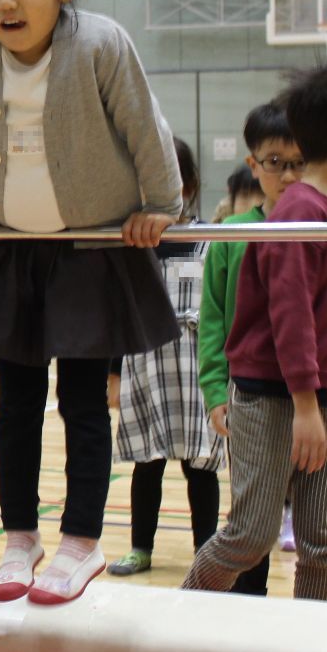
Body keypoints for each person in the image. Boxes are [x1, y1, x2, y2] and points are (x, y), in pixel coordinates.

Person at [0, 0, 182, 606]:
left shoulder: (100, 43)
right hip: (6, 247)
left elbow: (143, 125)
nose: (4, 1)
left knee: (84, 402)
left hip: (92, 247)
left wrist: (162, 204)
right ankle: (19, 536)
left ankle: (82, 541)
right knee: (15, 403)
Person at [182, 66, 327, 603]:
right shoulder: (296, 213)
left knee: (323, 543)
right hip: (276, 400)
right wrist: (307, 405)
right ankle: (180, 610)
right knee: (251, 535)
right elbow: (288, 315)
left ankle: (311, 651)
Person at [199, 103, 307, 588]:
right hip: (251, 397)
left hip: (317, 400)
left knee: (317, 531)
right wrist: (216, 388)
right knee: (251, 522)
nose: (287, 175)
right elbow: (214, 319)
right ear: (253, 165)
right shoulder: (232, 233)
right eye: (274, 162)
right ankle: (243, 610)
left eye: (298, 162)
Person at [109, 137, 223, 577]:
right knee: (147, 464)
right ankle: (141, 547)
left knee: (201, 468)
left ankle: (206, 552)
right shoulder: (132, 247)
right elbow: (116, 313)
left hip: (198, 369)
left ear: (189, 184)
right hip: (147, 366)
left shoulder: (210, 241)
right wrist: (113, 374)